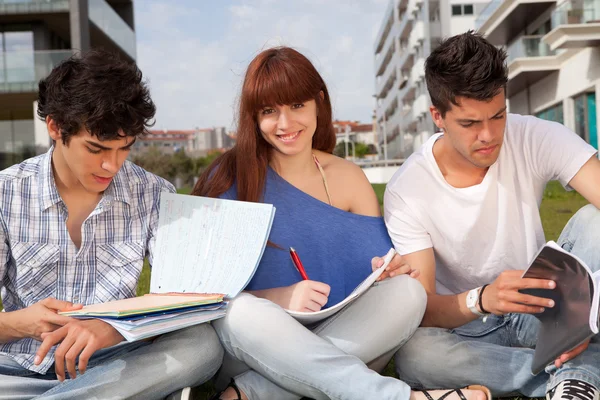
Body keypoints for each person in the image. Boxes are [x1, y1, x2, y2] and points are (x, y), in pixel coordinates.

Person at [193, 46, 490, 400]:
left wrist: (390, 270)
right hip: (250, 346)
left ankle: (252, 394)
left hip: (340, 333)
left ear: (319, 101)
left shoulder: (349, 177)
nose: (285, 125)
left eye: (297, 106)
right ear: (253, 117)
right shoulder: (227, 176)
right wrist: (278, 297)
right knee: (239, 313)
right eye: (270, 111)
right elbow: (203, 295)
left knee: (408, 294)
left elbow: (375, 273)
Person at [384, 31, 600, 400]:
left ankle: (574, 367)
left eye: (498, 115)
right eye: (469, 124)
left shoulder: (533, 136)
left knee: (593, 220)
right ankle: (572, 376)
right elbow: (423, 307)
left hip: (544, 309)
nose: (488, 135)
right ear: (438, 116)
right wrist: (483, 298)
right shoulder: (407, 190)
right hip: (467, 326)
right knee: (416, 356)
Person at [0, 50, 223, 399]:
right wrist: (19, 323)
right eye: (96, 148)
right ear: (56, 127)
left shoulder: (153, 193)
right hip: (16, 369)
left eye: (124, 148)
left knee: (201, 346)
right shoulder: (6, 193)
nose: (111, 165)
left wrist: (112, 329)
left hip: (115, 363)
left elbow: (177, 303)